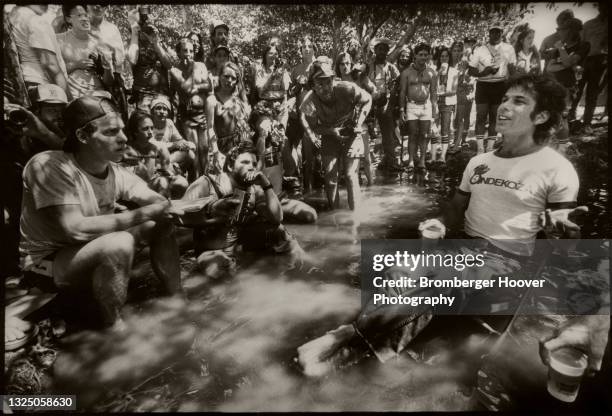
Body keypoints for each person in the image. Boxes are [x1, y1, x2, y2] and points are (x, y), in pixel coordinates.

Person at [298, 74, 586, 378]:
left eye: (519, 101)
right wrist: (440, 221)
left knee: (442, 280)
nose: (504, 106)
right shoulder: (480, 162)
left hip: (507, 259)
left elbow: (564, 239)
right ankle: (366, 344)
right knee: (397, 269)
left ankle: (343, 340)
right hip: (463, 245)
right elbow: (455, 208)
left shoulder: (556, 169)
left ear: (540, 116)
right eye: (504, 98)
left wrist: (563, 233)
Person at [19, 95, 186, 330]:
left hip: (92, 249)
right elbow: (74, 229)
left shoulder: (114, 171)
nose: (124, 138)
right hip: (46, 265)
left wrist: (163, 208)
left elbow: (152, 199)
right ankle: (113, 328)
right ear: (83, 136)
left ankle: (177, 297)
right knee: (120, 242)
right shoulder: (48, 165)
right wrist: (148, 212)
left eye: (122, 130)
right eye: (111, 132)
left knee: (162, 223)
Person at [182, 143, 305, 278]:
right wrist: (211, 210)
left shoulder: (253, 189)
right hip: (211, 251)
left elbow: (277, 218)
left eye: (253, 163)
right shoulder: (205, 184)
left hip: (239, 244)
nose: (251, 167)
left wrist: (266, 184)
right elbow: (179, 218)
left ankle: (299, 271)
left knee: (280, 232)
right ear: (230, 166)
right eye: (245, 162)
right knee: (223, 269)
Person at [2, 85, 68, 278]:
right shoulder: (11, 130)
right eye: (51, 109)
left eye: (60, 109)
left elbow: (73, 154)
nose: (57, 114)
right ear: (36, 110)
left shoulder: (60, 131)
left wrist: (43, 134)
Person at [300, 57, 372, 211]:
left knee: (351, 175)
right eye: (320, 83)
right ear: (312, 85)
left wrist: (359, 123)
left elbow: (368, 99)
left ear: (333, 79)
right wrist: (332, 131)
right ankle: (334, 216)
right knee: (330, 178)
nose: (326, 87)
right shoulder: (308, 103)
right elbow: (314, 127)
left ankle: (355, 218)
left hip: (352, 132)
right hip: (329, 134)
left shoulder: (347, 88)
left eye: (328, 82)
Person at [469, 25, 516, 153]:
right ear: (489, 33)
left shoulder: (509, 48)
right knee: (481, 115)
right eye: (493, 32)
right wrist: (482, 72)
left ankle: (489, 148)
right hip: (483, 85)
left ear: (502, 33)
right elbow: (471, 69)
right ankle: (479, 149)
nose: (496, 34)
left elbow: (512, 69)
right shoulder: (480, 49)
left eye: (498, 32)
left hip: (500, 84)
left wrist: (514, 85)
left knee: (495, 116)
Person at [545, 17, 590, 153]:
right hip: (554, 86)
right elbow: (549, 68)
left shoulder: (583, 45)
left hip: (568, 87)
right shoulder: (557, 50)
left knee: (562, 116)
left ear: (571, 31)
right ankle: (555, 145)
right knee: (552, 115)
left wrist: (562, 50)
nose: (559, 32)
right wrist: (567, 64)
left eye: (562, 30)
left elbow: (571, 62)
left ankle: (563, 148)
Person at [169, 37, 211, 176]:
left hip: (201, 112)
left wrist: (196, 88)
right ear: (179, 53)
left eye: (191, 51)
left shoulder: (201, 66)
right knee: (194, 148)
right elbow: (184, 88)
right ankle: (195, 178)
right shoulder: (175, 70)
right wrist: (191, 69)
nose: (188, 53)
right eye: (185, 50)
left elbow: (208, 85)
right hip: (187, 114)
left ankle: (205, 177)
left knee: (204, 147)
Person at [122, 111, 188, 199]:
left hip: (154, 182)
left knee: (181, 182)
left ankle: (172, 205)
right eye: (145, 129)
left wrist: (161, 172)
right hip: (136, 188)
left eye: (152, 128)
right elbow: (135, 179)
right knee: (162, 182)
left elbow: (165, 170)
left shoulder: (159, 148)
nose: (150, 132)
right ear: (135, 132)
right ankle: (159, 208)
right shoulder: (128, 150)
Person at [9, 5, 70, 98]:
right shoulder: (35, 21)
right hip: (42, 85)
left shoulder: (13, 15)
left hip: (23, 83)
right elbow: (50, 64)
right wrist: (68, 98)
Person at [335, 52, 376, 187]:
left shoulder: (358, 78)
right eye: (342, 64)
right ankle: (353, 185)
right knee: (348, 158)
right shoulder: (335, 81)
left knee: (366, 157)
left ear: (351, 64)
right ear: (338, 66)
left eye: (347, 63)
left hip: (361, 121)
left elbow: (373, 92)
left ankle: (371, 186)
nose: (345, 66)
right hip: (343, 124)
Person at [56, 5, 113, 99]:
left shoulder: (99, 43)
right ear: (68, 19)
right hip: (74, 97)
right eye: (79, 16)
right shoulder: (59, 40)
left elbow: (109, 82)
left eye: (86, 15)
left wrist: (108, 68)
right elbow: (53, 71)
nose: (85, 19)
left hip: (99, 96)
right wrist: (76, 65)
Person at [399, 43, 438, 175]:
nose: (423, 57)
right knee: (413, 134)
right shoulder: (406, 73)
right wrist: (401, 110)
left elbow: (433, 93)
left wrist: (435, 109)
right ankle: (410, 160)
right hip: (411, 106)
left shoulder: (432, 73)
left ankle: (421, 161)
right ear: (415, 56)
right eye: (420, 54)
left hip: (426, 105)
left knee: (425, 134)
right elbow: (403, 92)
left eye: (425, 55)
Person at [127, 6, 174, 113]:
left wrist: (156, 44)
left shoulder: (159, 41)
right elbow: (132, 59)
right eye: (142, 24)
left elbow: (169, 64)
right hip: (143, 94)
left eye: (147, 22)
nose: (145, 27)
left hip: (162, 93)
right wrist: (135, 33)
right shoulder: (133, 43)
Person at [205, 61, 253, 162]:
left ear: (236, 81)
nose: (229, 80)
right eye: (226, 76)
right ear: (219, 76)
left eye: (233, 78)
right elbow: (210, 128)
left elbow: (246, 121)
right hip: (223, 148)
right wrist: (216, 152)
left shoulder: (239, 98)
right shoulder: (212, 100)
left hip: (244, 145)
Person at [367, 38, 401, 172]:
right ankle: (367, 163)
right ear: (375, 50)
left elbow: (397, 85)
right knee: (369, 133)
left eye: (385, 49)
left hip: (386, 104)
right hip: (369, 104)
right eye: (379, 49)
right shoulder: (368, 66)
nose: (382, 52)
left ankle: (390, 161)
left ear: (387, 52)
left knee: (388, 135)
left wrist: (393, 104)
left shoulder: (392, 68)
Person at [574, 2, 608, 133]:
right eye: (602, 6)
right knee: (577, 90)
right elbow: (581, 45)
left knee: (592, 94)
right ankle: (570, 118)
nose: (604, 8)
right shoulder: (588, 24)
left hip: (600, 61)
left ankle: (586, 123)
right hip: (585, 60)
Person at [150, 95, 196, 180]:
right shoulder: (148, 123)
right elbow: (153, 145)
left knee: (190, 154)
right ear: (152, 111)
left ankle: (192, 182)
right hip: (152, 159)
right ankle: (173, 174)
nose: (162, 111)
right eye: (158, 108)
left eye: (165, 109)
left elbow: (179, 140)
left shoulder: (169, 123)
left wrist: (186, 144)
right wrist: (174, 144)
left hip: (168, 157)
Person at [431, 45, 458, 167]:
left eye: (446, 56)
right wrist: (438, 73)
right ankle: (432, 157)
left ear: (449, 57)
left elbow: (454, 90)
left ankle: (442, 156)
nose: (444, 58)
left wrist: (441, 93)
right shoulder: (434, 71)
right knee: (433, 130)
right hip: (435, 103)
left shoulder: (454, 71)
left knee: (445, 129)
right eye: (442, 56)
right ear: (439, 57)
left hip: (447, 103)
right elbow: (431, 86)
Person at [450, 41, 475, 153]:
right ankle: (457, 140)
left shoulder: (464, 63)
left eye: (459, 50)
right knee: (455, 119)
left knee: (462, 118)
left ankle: (458, 142)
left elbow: (471, 77)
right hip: (451, 94)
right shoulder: (449, 64)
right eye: (454, 50)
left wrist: (470, 88)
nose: (456, 53)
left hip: (463, 93)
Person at [87, 5, 125, 71]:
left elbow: (120, 61)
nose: (98, 5)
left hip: (108, 74)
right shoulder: (77, 26)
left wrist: (109, 54)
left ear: (106, 7)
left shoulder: (113, 29)